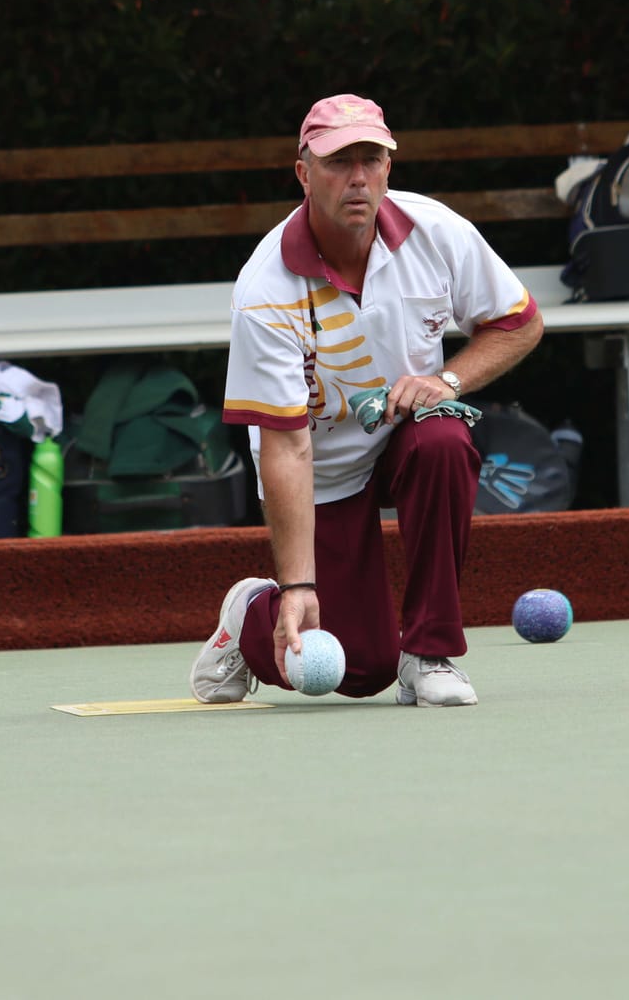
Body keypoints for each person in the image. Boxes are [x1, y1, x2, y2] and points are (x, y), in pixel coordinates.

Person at [190, 93, 544, 707]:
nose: (358, 177)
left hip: (406, 437)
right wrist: (297, 587)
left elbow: (519, 322)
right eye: (337, 162)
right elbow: (287, 448)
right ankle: (251, 614)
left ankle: (431, 653)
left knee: (444, 438)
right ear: (304, 174)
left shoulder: (438, 231)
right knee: (357, 669)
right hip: (322, 471)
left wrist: (448, 381)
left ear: (388, 167)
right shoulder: (264, 289)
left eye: (371, 159)